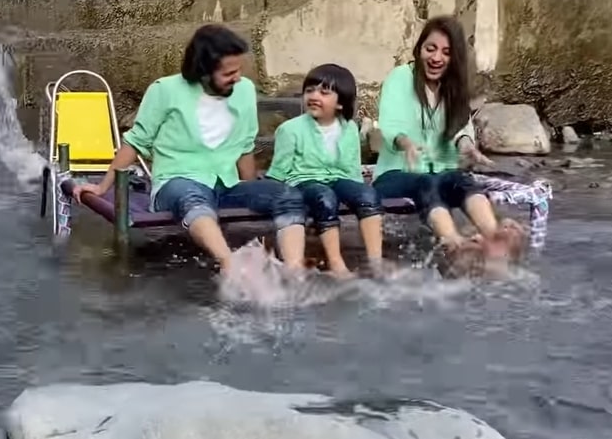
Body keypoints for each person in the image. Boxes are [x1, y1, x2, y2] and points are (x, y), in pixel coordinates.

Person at [72, 24, 307, 277]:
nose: (237, 77)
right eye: (229, 73)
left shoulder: (245, 91)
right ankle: (229, 264)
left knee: (288, 196)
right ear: (204, 71)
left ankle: (294, 272)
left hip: (226, 184)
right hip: (176, 182)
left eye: (239, 70)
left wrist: (252, 192)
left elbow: (245, 148)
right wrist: (101, 187)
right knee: (192, 198)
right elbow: (135, 142)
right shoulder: (165, 90)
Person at [371, 15, 521, 256]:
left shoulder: (453, 87)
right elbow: (391, 122)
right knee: (426, 182)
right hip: (395, 175)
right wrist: (405, 142)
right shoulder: (400, 78)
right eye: (430, 49)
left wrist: (467, 145)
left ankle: (494, 237)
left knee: (461, 180)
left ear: (454, 58)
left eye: (446, 52)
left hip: (442, 171)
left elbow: (461, 125)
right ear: (419, 49)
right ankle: (453, 243)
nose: (436, 57)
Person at [267, 64, 382, 276]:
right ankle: (337, 263)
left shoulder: (348, 129)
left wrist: (356, 193)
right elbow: (278, 171)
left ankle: (376, 262)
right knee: (324, 196)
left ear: (341, 103)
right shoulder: (290, 129)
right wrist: (280, 196)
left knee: (367, 194)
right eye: (309, 90)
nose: (314, 96)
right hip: (305, 181)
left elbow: (352, 169)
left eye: (324, 92)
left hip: (339, 178)